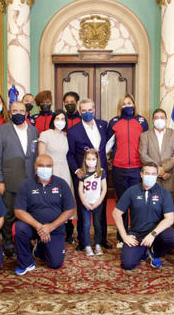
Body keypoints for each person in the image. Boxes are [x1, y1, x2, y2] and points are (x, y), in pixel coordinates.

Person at [13, 155, 76, 274]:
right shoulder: (26, 184)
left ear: (52, 168)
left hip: (55, 228)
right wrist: (39, 227)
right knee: (18, 228)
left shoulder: (61, 184)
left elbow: (70, 209)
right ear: (35, 167)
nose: (45, 168)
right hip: (33, 226)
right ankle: (26, 263)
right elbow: (18, 211)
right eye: (41, 166)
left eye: (48, 166)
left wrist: (51, 227)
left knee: (55, 264)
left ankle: (41, 247)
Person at [112, 162, 174, 270]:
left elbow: (170, 219)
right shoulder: (131, 191)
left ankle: (154, 252)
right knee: (127, 264)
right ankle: (144, 251)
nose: (150, 176)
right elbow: (116, 213)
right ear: (141, 174)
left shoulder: (163, 192)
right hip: (137, 234)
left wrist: (153, 234)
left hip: (157, 233)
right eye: (147, 173)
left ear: (157, 175)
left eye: (153, 174)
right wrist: (124, 236)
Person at [0, 101, 39, 257]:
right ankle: (8, 243)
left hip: (30, 179)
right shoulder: (1, 130)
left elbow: (35, 155)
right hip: (9, 180)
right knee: (9, 214)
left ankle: (24, 241)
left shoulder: (34, 131)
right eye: (15, 110)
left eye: (21, 110)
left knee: (28, 212)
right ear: (10, 112)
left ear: (27, 112)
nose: (18, 113)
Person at [67, 98, 110, 250]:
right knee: (82, 208)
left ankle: (102, 239)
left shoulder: (103, 125)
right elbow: (70, 154)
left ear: (94, 110)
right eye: (83, 110)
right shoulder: (73, 131)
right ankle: (83, 241)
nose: (87, 113)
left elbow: (107, 145)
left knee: (101, 208)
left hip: (100, 174)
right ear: (79, 111)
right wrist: (76, 170)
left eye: (90, 110)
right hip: (83, 176)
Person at [107, 94, 149, 248]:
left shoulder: (142, 122)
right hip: (119, 168)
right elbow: (107, 145)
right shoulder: (114, 122)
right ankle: (121, 237)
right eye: (124, 103)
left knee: (137, 203)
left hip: (138, 168)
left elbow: (147, 142)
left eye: (129, 103)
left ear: (134, 104)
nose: (127, 106)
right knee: (122, 203)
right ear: (120, 106)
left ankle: (137, 233)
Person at [139, 109, 174, 230]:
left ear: (166, 119)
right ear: (153, 120)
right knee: (152, 209)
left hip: (171, 177)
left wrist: (165, 169)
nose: (159, 120)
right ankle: (151, 237)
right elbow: (143, 155)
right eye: (156, 117)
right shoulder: (145, 135)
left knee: (170, 210)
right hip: (151, 179)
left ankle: (169, 239)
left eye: (162, 117)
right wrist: (158, 170)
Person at [38, 109, 75, 244]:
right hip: (50, 171)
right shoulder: (45, 135)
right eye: (57, 118)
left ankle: (68, 229)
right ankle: (50, 228)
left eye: (63, 119)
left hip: (65, 170)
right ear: (53, 120)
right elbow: (41, 156)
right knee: (51, 199)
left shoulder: (66, 136)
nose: (60, 122)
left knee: (66, 199)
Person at [77, 149, 108, 256]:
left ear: (97, 160)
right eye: (88, 159)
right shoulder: (82, 172)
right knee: (86, 225)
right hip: (85, 203)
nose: (91, 161)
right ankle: (87, 246)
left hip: (97, 203)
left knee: (97, 224)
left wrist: (99, 202)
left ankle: (98, 244)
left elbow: (104, 189)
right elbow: (80, 190)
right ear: (85, 160)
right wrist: (84, 202)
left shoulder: (101, 172)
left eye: (93, 159)